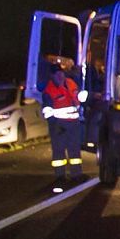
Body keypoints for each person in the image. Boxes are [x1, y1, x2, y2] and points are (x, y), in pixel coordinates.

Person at [41, 64, 86, 192]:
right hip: (59, 125)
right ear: (52, 76)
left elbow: (77, 98)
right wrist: (55, 124)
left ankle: (76, 175)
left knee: (74, 150)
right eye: (57, 74)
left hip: (74, 123)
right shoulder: (49, 91)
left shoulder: (71, 83)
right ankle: (60, 176)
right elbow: (47, 110)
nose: (60, 75)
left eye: (61, 73)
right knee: (59, 151)